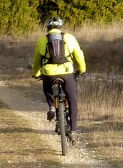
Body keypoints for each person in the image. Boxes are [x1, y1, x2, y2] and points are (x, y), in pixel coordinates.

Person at [32, 16, 86, 144]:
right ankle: (73, 131)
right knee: (73, 101)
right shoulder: (69, 38)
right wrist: (82, 69)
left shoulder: (42, 40)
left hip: (49, 73)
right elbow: (78, 54)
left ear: (48, 27)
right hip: (67, 72)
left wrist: (36, 73)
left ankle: (51, 106)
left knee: (46, 85)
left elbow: (37, 60)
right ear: (60, 27)